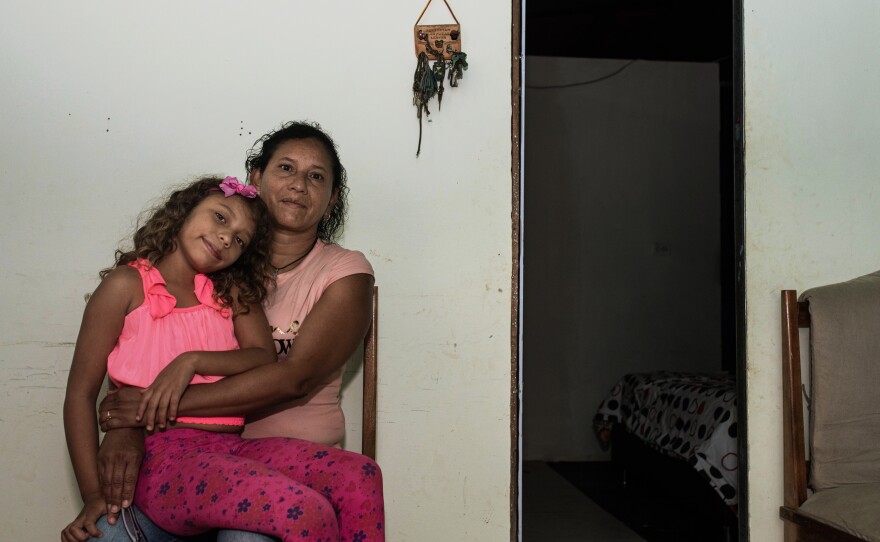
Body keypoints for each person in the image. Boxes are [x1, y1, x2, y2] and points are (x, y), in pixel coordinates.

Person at [89, 122, 383, 542]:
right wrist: (127, 427)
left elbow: (293, 377)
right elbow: (131, 362)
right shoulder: (211, 266)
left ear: (332, 198)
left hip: (272, 453)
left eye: (316, 176)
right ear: (256, 177)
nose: (299, 184)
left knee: (356, 479)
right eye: (286, 168)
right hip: (185, 458)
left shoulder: (341, 271)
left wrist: (148, 407)